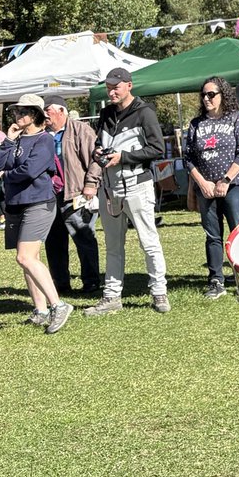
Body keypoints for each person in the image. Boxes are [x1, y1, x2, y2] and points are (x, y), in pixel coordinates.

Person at [82, 67, 170, 316]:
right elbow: (101, 143)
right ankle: (111, 296)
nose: (111, 91)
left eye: (116, 86)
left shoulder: (145, 113)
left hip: (137, 185)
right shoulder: (106, 113)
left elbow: (157, 149)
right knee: (112, 244)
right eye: (109, 87)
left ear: (129, 86)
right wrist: (98, 152)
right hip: (109, 188)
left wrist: (123, 157)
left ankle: (159, 292)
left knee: (148, 241)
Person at [0, 94, 73, 334]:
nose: (18, 116)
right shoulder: (17, 139)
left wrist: (6, 176)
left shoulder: (44, 140)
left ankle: (58, 305)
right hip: (16, 203)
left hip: (38, 203)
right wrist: (8, 140)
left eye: (23, 112)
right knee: (30, 260)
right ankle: (40, 310)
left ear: (37, 115)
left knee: (25, 257)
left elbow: (29, 171)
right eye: (16, 112)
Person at [185, 77, 239, 299]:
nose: (206, 99)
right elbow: (188, 157)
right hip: (205, 187)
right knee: (212, 234)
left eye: (211, 94)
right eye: (203, 95)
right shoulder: (196, 124)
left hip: (234, 185)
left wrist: (226, 180)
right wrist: (202, 182)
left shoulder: (237, 118)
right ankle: (216, 280)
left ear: (223, 95)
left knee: (238, 232)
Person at [42, 93, 101, 296]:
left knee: (84, 238)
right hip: (50, 196)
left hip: (76, 193)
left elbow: (96, 159)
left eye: (48, 110)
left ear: (61, 111)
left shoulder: (81, 130)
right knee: (54, 242)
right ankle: (60, 284)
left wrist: (91, 183)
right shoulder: (43, 134)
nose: (45, 115)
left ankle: (91, 281)